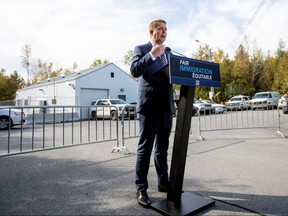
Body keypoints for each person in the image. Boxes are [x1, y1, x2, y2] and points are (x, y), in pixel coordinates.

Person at [130, 19, 175, 208]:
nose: (164, 32)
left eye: (166, 29)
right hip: (149, 107)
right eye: (160, 29)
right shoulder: (141, 49)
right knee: (145, 148)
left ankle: (163, 182)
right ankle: (141, 189)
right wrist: (151, 54)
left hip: (166, 106)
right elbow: (134, 71)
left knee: (162, 148)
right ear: (151, 31)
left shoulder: (170, 52)